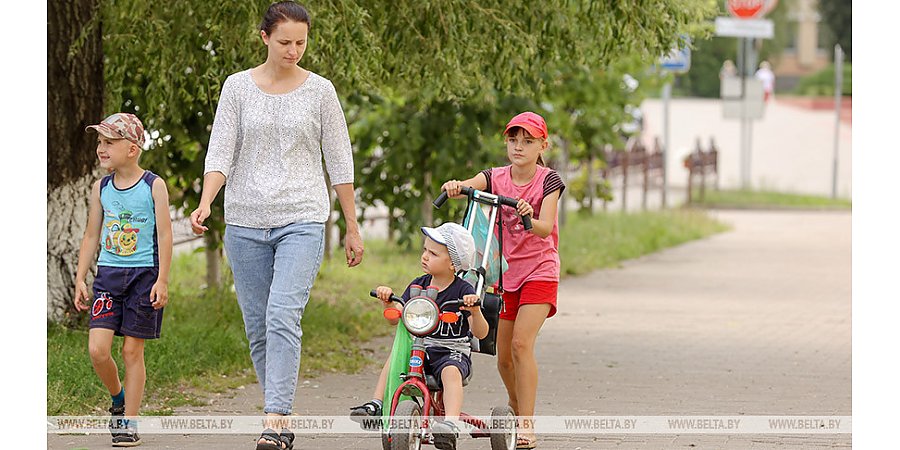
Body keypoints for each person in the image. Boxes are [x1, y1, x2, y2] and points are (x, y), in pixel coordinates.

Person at [188, 2, 364, 448]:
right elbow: (221, 151)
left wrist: (352, 224)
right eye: (285, 41)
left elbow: (339, 160)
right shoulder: (237, 88)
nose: (294, 50)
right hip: (245, 219)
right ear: (264, 37)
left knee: (282, 314)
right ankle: (277, 409)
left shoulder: (321, 91)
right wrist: (207, 202)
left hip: (302, 218)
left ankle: (276, 420)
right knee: (257, 323)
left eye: (301, 42)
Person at [441, 111, 564, 449]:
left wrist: (529, 214)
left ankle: (526, 423)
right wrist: (457, 187)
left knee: (522, 345)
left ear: (543, 144)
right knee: (503, 357)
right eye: (513, 139)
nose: (518, 146)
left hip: (540, 269)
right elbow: (472, 184)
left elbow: (544, 227)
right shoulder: (497, 176)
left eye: (527, 141)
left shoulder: (548, 181)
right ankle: (515, 404)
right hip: (508, 274)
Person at [73, 112, 173, 447]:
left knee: (132, 350)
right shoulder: (100, 187)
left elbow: (165, 235)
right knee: (98, 350)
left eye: (109, 142)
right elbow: (91, 235)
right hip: (108, 277)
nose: (101, 149)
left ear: (132, 149)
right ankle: (117, 397)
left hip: (144, 277)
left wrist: (163, 280)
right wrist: (80, 278)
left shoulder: (153, 186)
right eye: (100, 142)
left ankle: (128, 422)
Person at [350, 223, 488, 450]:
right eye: (424, 250)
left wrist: (474, 310)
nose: (424, 256)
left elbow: (480, 333)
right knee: (394, 358)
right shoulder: (417, 285)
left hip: (451, 351)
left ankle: (450, 425)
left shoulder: (464, 291)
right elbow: (396, 317)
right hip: (420, 349)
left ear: (453, 263)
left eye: (433, 253)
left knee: (451, 372)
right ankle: (376, 402)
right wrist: (388, 302)